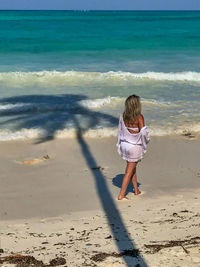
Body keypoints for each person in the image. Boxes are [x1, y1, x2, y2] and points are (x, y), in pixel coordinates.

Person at [116, 95, 150, 200]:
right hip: (134, 147)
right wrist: (145, 139)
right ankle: (121, 195)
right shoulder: (139, 117)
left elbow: (121, 130)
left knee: (133, 167)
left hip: (125, 145)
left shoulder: (123, 116)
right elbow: (143, 133)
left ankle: (136, 190)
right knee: (129, 171)